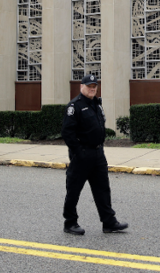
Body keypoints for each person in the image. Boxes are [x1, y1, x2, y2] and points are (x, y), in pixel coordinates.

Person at [61, 74, 128, 235]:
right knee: (74, 190)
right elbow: (67, 133)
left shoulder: (96, 104)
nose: (92, 88)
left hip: (98, 153)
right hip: (82, 155)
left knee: (103, 189)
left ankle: (109, 222)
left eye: (94, 86)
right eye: (89, 86)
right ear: (81, 87)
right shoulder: (75, 106)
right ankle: (70, 223)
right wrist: (78, 152)